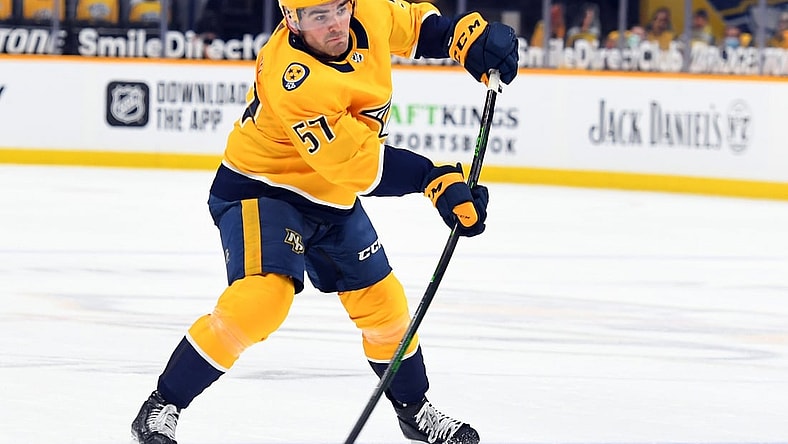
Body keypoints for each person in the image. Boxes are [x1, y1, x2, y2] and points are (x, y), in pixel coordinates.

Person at [129, 0, 519, 443]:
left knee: (386, 309)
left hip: (331, 196)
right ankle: (162, 405)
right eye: (318, 16)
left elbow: (413, 25)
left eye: (339, 8)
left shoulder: (367, 12)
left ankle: (415, 411)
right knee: (263, 300)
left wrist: (461, 39)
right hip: (263, 187)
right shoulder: (293, 78)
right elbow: (356, 164)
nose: (335, 24)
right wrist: (433, 180)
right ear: (290, 19)